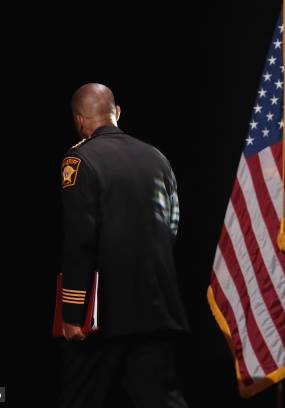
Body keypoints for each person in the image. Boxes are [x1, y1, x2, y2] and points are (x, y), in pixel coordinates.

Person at [58, 83, 189, 408]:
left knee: (79, 398)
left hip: (106, 313)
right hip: (155, 306)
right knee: (161, 400)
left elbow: (80, 240)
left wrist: (73, 311)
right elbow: (171, 225)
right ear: (117, 113)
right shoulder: (157, 158)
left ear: (79, 120)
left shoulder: (79, 160)